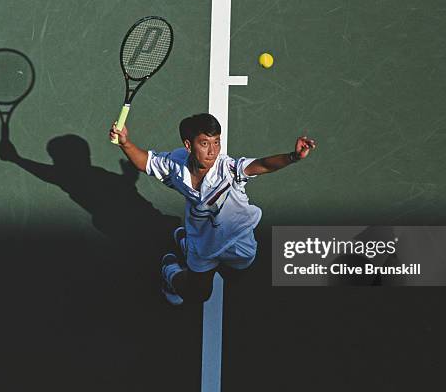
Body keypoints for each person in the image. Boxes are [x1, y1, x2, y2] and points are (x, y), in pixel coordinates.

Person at [109, 113, 316, 305]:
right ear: (189, 145)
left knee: (235, 275)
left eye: (216, 142)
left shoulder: (228, 169)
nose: (213, 151)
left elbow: (262, 164)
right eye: (205, 143)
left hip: (237, 239)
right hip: (203, 241)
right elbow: (146, 162)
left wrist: (293, 157)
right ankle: (170, 270)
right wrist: (125, 143)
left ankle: (185, 243)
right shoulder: (176, 164)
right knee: (198, 294)